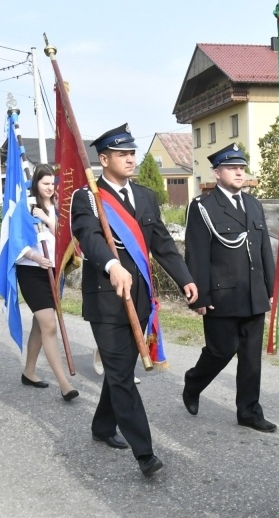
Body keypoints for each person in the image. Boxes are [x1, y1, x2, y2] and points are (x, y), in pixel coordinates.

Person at [71, 123, 198, 477]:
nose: (130, 158)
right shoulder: (88, 197)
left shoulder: (144, 196)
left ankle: (101, 426)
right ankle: (145, 453)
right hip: (107, 301)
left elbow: (161, 242)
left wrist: (185, 278)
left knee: (121, 370)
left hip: (139, 299)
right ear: (103, 158)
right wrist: (112, 264)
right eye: (122, 153)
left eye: (132, 152)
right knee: (122, 375)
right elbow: (90, 237)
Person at [182, 143, 276, 432]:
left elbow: (263, 250)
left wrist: (269, 287)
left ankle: (248, 411)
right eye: (232, 167)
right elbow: (196, 253)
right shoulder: (204, 207)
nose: (239, 172)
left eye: (242, 167)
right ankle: (194, 382)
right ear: (217, 172)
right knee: (221, 351)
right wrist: (200, 295)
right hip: (222, 295)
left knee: (251, 357)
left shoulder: (253, 204)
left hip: (253, 294)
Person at [15, 164, 78, 401]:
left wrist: (46, 218)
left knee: (39, 325)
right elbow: (16, 240)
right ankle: (64, 383)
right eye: (45, 183)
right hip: (32, 271)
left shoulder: (59, 208)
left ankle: (29, 371)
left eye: (53, 183)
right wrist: (34, 256)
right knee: (49, 325)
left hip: (55, 271)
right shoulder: (26, 207)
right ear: (36, 184)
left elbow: (68, 238)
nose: (50, 188)